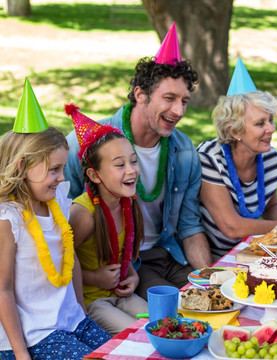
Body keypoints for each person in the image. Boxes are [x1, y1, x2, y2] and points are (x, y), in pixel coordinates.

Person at [64, 23, 213, 299]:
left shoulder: (184, 151)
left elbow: (190, 226)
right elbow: (61, 229)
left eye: (185, 101)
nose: (178, 111)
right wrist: (90, 276)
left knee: (217, 299)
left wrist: (211, 279)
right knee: (183, 310)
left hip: (171, 253)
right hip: (126, 264)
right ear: (140, 95)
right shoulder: (87, 145)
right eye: (169, 98)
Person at [0, 79, 111, 359]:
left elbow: (68, 256)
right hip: (33, 335)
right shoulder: (8, 217)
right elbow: (2, 290)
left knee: (122, 353)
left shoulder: (57, 199)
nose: (63, 178)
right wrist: (21, 354)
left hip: (72, 321)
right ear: (23, 166)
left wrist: (81, 314)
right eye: (54, 169)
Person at [197, 59, 277, 258]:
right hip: (213, 258)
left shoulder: (269, 156)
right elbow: (231, 227)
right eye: (260, 123)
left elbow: (271, 206)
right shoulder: (210, 158)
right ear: (234, 130)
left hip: (252, 251)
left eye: (270, 120)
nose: (271, 129)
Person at [66, 104, 148, 335]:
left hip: (121, 294)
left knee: (159, 324)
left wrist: (131, 274)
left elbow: (121, 251)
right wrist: (94, 278)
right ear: (95, 175)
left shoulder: (127, 202)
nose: (131, 170)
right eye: (120, 165)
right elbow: (64, 262)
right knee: (137, 334)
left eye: (133, 161)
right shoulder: (83, 214)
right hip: (92, 301)